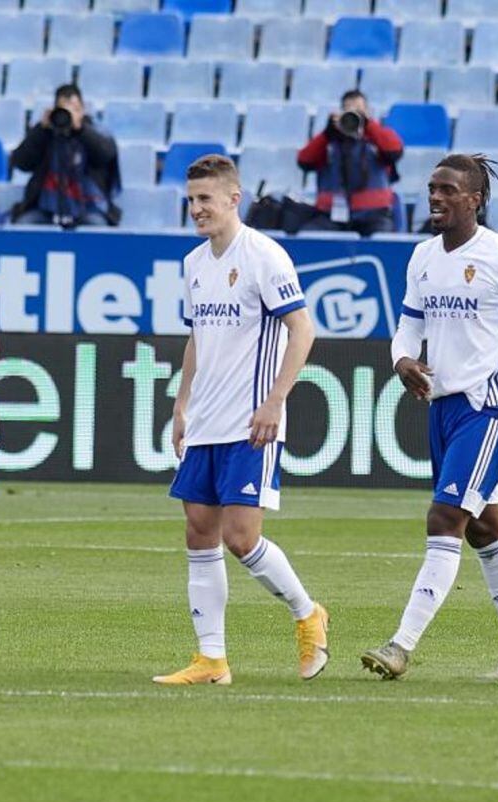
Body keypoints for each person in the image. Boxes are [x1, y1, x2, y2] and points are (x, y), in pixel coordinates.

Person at [360, 154, 498, 683]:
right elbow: (409, 325)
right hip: (442, 407)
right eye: (432, 188)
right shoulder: (422, 258)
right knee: (485, 528)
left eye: (447, 190)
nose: (434, 197)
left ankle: (400, 645)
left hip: (488, 407)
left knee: (444, 519)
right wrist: (401, 360)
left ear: (474, 199)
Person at [155, 154, 328, 686]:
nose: (196, 209)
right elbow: (196, 338)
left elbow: (303, 330)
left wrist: (275, 401)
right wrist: (181, 404)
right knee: (199, 533)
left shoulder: (265, 257)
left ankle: (308, 613)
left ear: (235, 198)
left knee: (241, 537)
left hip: (250, 421)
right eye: (190, 200)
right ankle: (211, 659)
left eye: (205, 199)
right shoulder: (194, 264)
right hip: (205, 418)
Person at [10, 84, 120, 227]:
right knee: (24, 225)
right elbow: (21, 162)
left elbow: (106, 155)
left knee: (96, 227)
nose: (69, 114)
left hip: (89, 207)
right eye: (64, 109)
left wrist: (81, 130)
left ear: (82, 110)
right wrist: (40, 130)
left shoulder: (95, 130)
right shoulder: (46, 132)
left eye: (74, 109)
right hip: (46, 208)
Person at [296, 89, 403, 236]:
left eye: (359, 110)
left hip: (374, 214)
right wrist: (327, 133)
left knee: (383, 238)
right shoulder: (330, 140)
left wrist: (368, 125)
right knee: (308, 237)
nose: (354, 114)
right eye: (348, 110)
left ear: (367, 111)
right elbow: (304, 161)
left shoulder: (376, 137)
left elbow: (395, 150)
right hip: (331, 215)